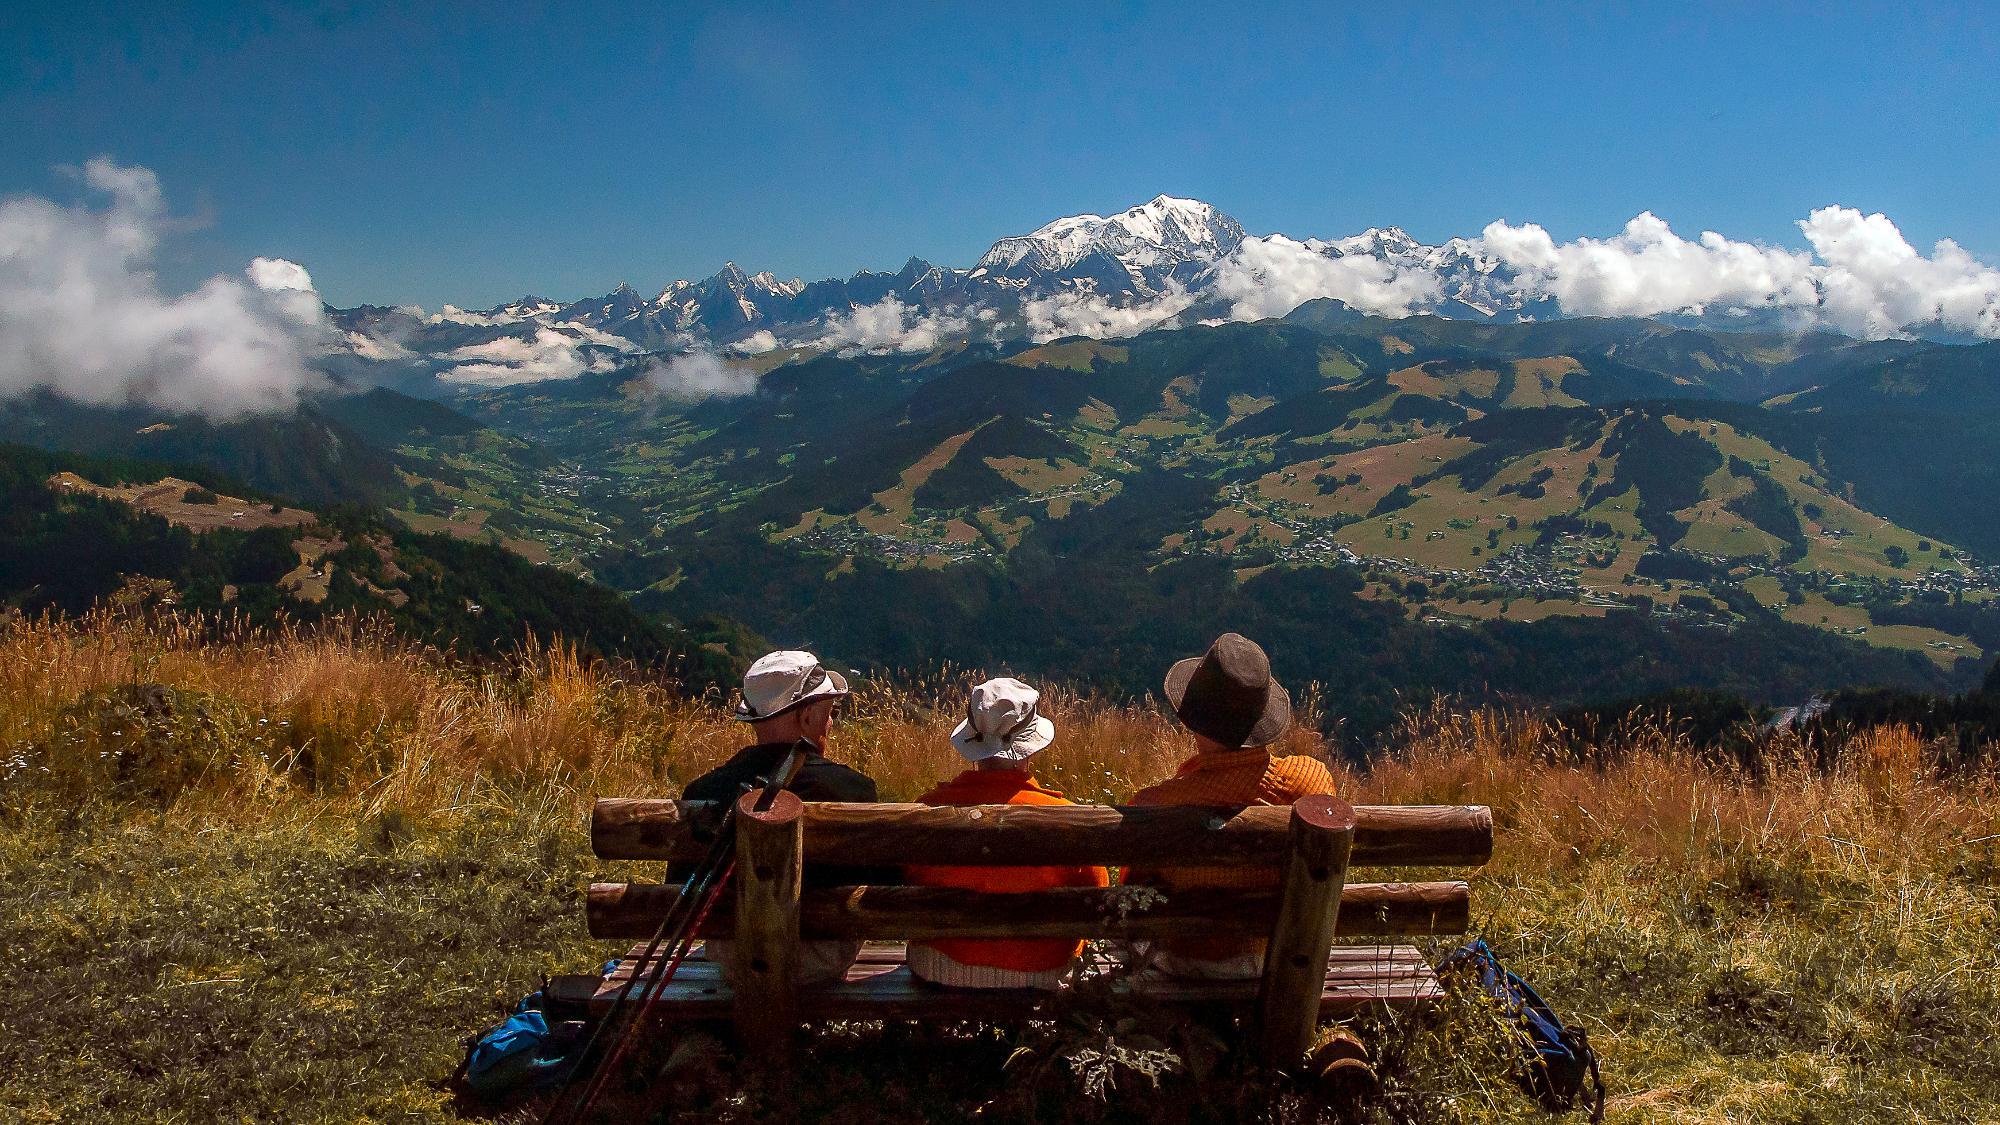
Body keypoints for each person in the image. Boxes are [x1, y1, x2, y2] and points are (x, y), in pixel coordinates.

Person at [1123, 632, 1339, 981]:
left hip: (1184, 962)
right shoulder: (1311, 784)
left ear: (1191, 714)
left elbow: (1132, 892)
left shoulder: (1154, 806)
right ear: (1259, 718)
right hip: (1277, 960)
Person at [682, 649, 891, 988]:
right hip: (818, 959)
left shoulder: (701, 792)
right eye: (829, 711)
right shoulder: (855, 791)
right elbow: (880, 890)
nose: (832, 722)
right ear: (807, 716)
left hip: (733, 957)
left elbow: (682, 891)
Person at [905, 677, 1109, 989]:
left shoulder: (928, 811)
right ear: (1031, 746)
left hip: (940, 964)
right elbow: (1097, 892)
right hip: (1040, 969)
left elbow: (904, 880)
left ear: (973, 742)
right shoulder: (1066, 819)